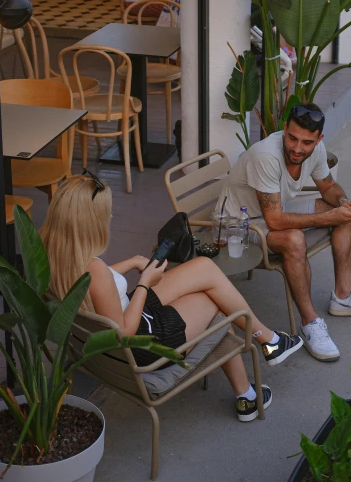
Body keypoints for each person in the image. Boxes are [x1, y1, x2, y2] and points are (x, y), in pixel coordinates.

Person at [40, 173, 303, 422]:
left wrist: (131, 262)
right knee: (217, 304)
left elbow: (95, 282)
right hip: (143, 343)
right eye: (104, 213)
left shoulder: (56, 252)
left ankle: (268, 344)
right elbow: (123, 332)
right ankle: (256, 373)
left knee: (204, 269)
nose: (109, 216)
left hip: (124, 317)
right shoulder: (95, 270)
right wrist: (144, 283)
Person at [215, 104, 351, 363]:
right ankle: (310, 323)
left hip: (271, 210)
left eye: (307, 142)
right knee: (294, 239)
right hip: (238, 224)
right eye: (292, 138)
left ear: (319, 139)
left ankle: (343, 296)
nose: (297, 148)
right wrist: (328, 217)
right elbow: (273, 221)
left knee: (346, 213)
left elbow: (328, 186)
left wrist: (342, 202)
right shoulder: (266, 156)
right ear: (284, 129)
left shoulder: (315, 150)